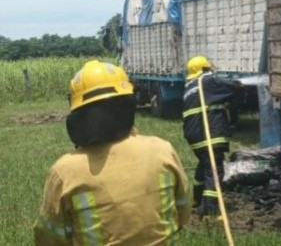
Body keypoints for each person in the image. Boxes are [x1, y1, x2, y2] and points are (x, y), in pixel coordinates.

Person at [34, 60, 190, 245]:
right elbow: (183, 212)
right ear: (128, 106)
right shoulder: (162, 150)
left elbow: (49, 238)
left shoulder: (64, 172)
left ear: (78, 117)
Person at [182, 55, 238, 217]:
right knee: (214, 170)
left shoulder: (190, 86)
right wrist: (239, 85)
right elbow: (231, 87)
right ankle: (210, 209)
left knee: (204, 166)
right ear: (205, 69)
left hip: (194, 136)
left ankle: (197, 200)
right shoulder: (207, 82)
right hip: (209, 134)